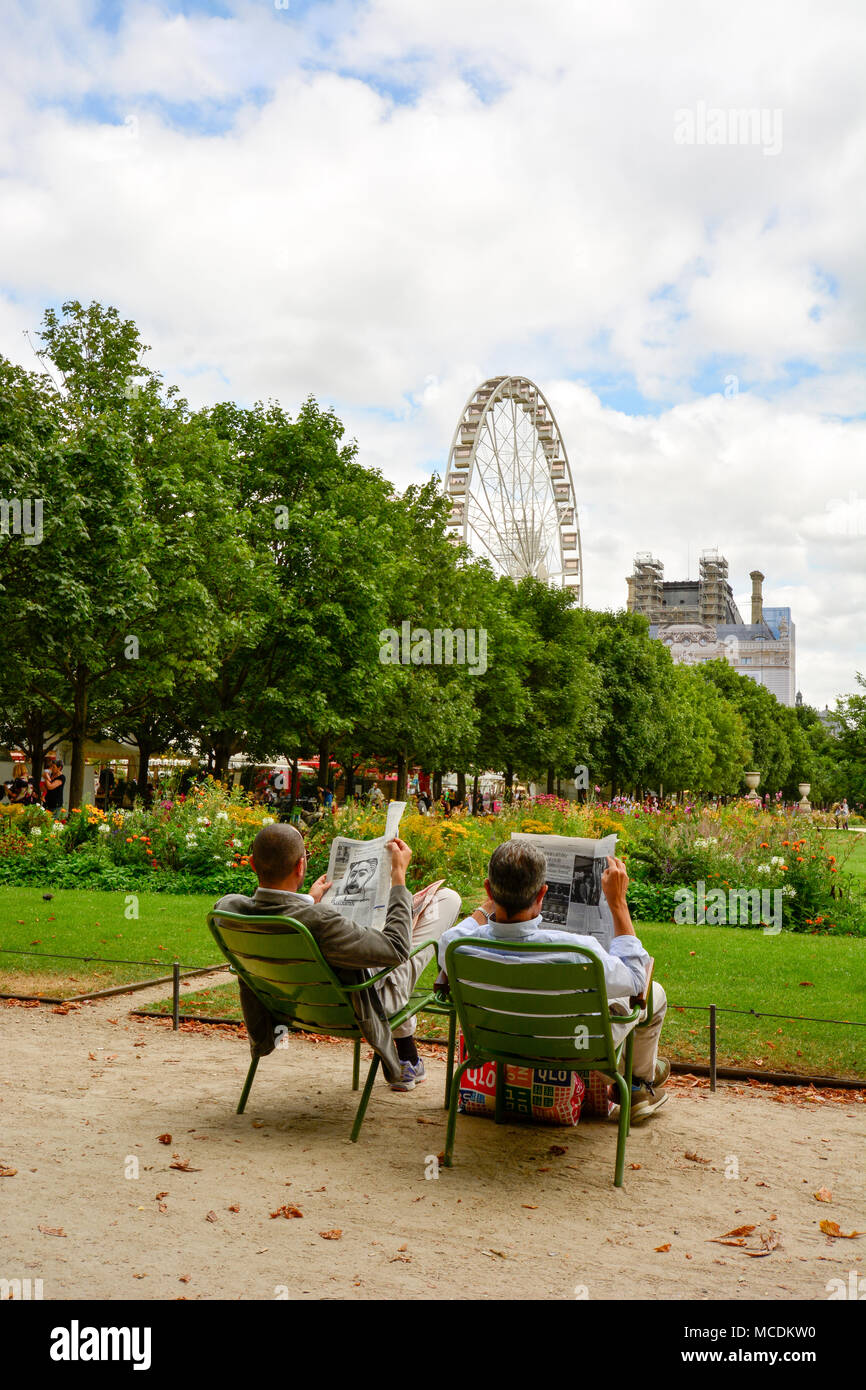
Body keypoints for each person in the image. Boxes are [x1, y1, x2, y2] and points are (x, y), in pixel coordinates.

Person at [213, 823, 461, 1091]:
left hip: (292, 1007)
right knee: (448, 899)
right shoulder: (320, 921)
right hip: (359, 1007)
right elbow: (397, 949)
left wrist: (309, 900)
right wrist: (398, 878)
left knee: (378, 935)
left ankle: (408, 1057)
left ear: (251, 864)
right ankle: (407, 1056)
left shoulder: (228, 911)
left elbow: (284, 915)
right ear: (300, 867)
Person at [436, 840, 669, 1122]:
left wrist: (496, 897)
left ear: (488, 889)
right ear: (543, 892)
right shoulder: (578, 952)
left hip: (495, 1044)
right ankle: (636, 1085)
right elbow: (635, 979)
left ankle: (639, 1078)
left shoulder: (455, 947)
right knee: (654, 993)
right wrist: (618, 904)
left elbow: (467, 926)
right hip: (575, 1049)